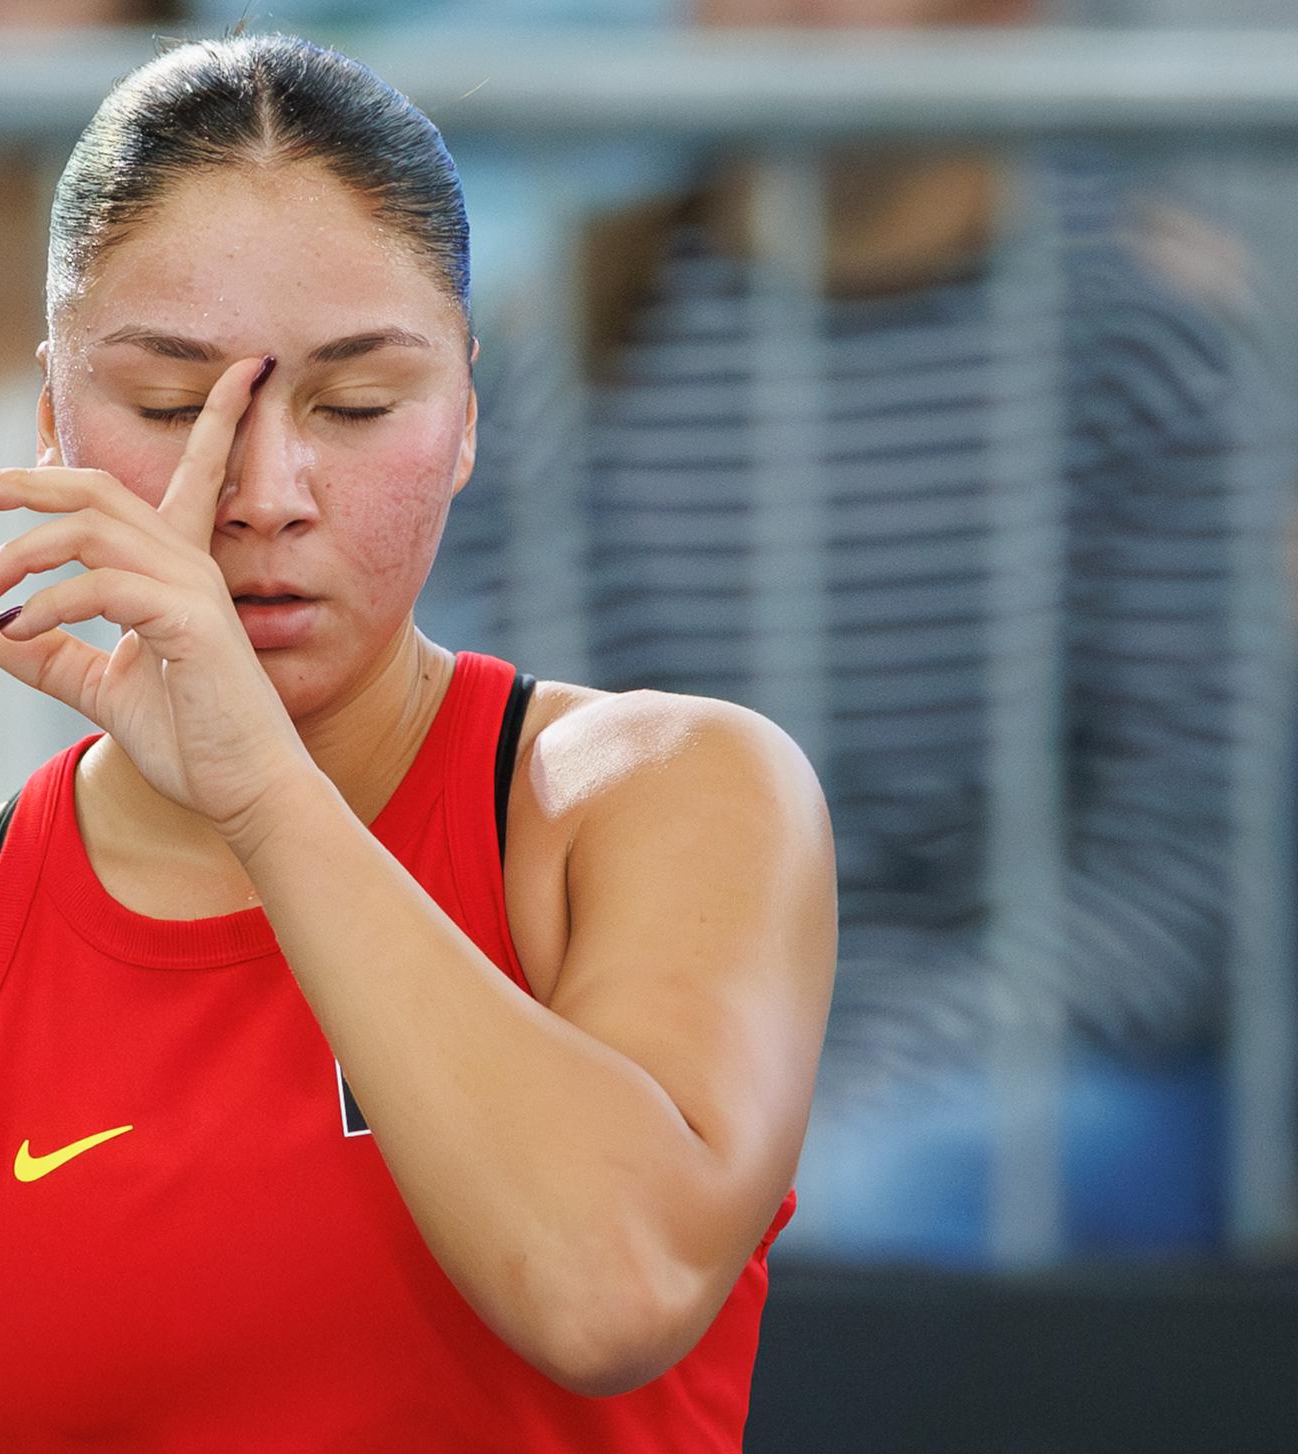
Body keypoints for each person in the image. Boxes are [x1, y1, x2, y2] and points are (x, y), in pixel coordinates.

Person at [0, 34, 835, 1451]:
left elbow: (609, 1288)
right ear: (51, 418)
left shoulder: (664, 800)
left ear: (466, 413)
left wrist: (263, 787)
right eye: (170, 405)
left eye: (356, 404)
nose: (265, 491)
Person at [496, 0, 1265, 1258]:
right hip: (665, 1054)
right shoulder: (559, 353)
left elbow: (1179, 871)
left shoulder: (1144, 340)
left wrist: (824, 1098)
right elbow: (518, 811)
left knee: (860, 1201)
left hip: (1044, 1062)